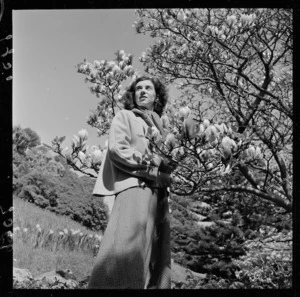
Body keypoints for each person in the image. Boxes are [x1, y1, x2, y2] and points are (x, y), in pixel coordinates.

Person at [88, 76, 174, 289]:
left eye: (148, 88)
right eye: (138, 89)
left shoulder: (164, 128)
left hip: (160, 196)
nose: (142, 91)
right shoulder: (125, 117)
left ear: (157, 96)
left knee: (154, 254)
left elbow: (171, 162)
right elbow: (118, 150)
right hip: (135, 187)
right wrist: (155, 168)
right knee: (125, 249)